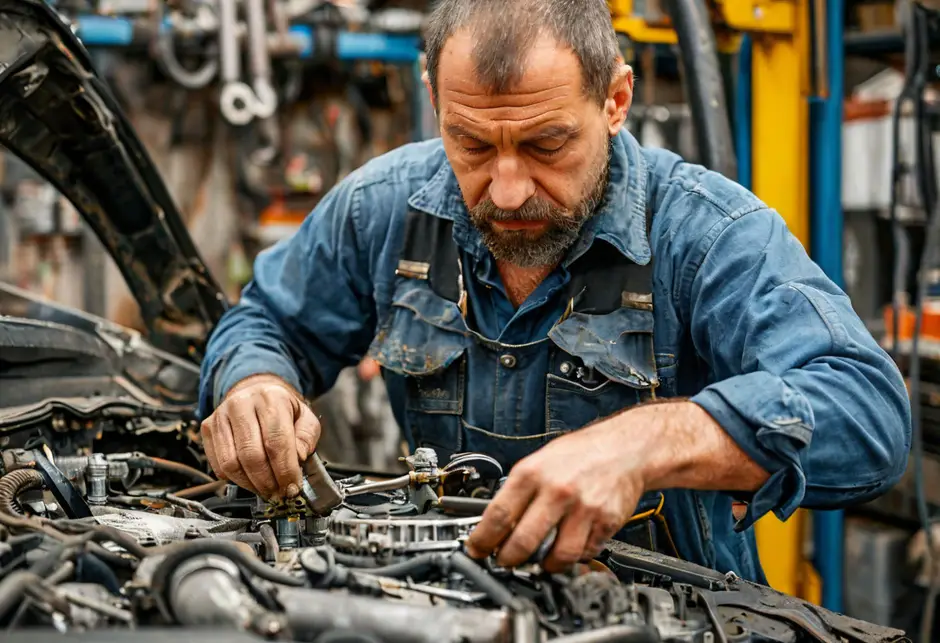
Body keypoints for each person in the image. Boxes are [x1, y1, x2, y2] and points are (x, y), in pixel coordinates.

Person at [198, 0, 911, 581]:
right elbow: (267, 322)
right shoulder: (384, 209)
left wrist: (648, 441)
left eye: (546, 144)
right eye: (472, 144)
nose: (506, 189)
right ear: (433, 99)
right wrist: (253, 382)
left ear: (616, 100)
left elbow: (869, 414)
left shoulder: (708, 233)